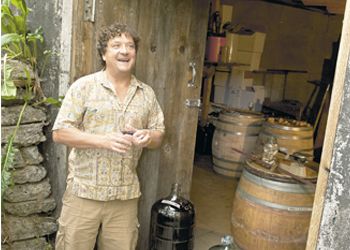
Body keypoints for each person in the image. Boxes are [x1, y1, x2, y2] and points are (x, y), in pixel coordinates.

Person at [52, 22, 165, 250]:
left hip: (124, 198)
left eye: (130, 46)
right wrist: (103, 140)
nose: (125, 51)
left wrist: (147, 136)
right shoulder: (83, 87)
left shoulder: (146, 94)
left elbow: (158, 135)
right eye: (116, 45)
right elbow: (60, 132)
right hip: (84, 193)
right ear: (104, 54)